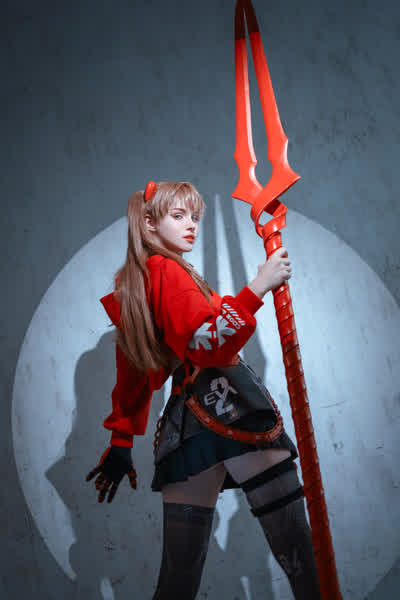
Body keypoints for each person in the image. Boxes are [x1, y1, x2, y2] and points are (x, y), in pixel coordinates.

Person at [86, 181, 321, 599]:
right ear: (148, 223)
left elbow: (135, 370)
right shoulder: (168, 272)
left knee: (177, 582)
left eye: (194, 217)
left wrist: (121, 442)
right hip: (230, 406)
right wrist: (258, 286)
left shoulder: (138, 284)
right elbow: (207, 345)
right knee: (302, 562)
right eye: (178, 216)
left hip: (186, 428)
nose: (191, 225)